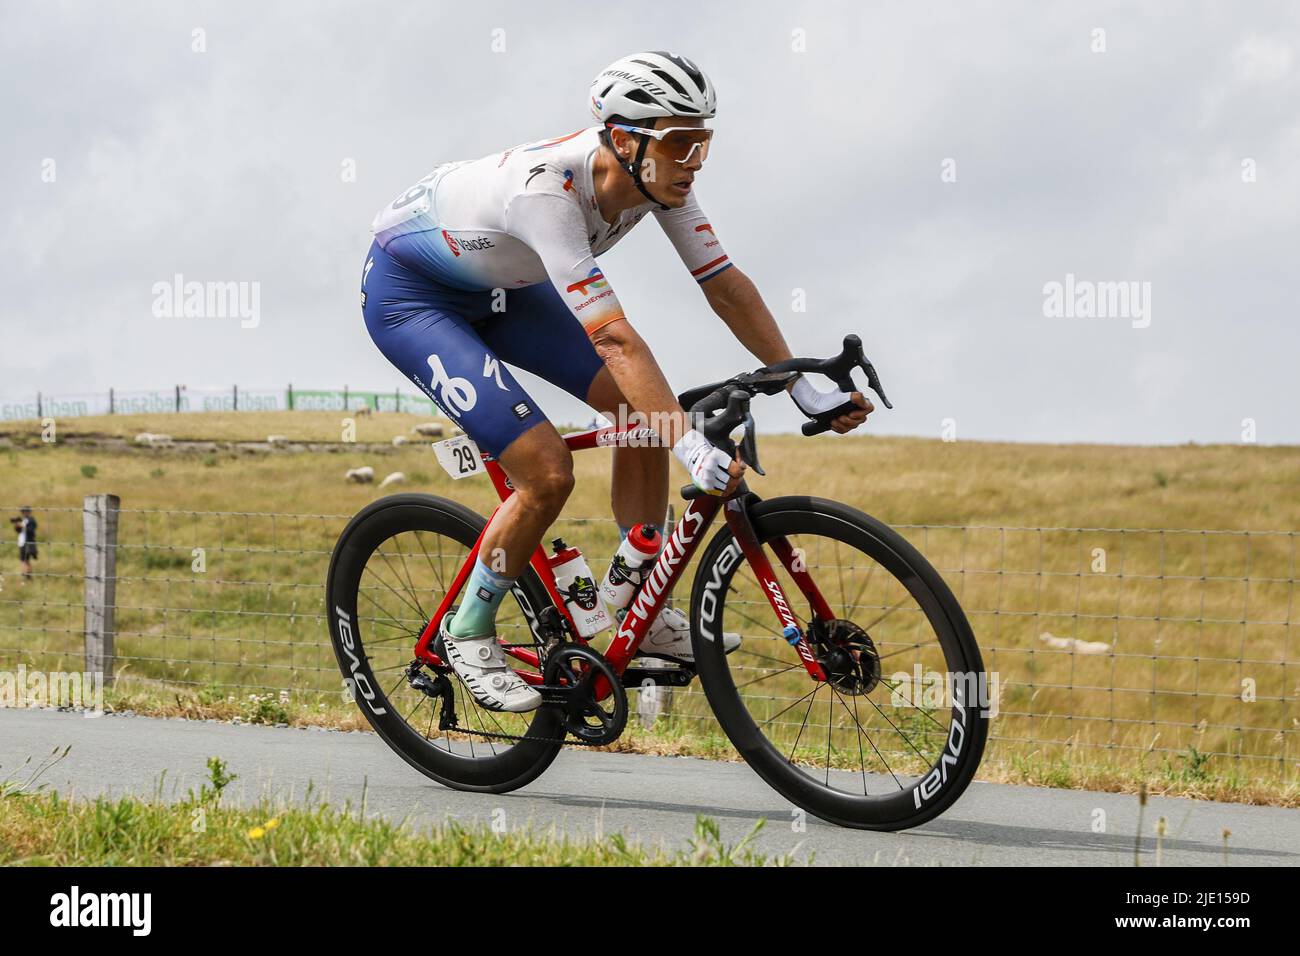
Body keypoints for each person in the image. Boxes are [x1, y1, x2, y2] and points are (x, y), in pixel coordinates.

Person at [363, 51, 871, 712]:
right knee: (546, 473)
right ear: (626, 139)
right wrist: (689, 444)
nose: (694, 162)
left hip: (504, 290)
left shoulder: (661, 181)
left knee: (641, 415)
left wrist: (800, 383)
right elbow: (614, 337)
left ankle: (634, 601)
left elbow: (725, 286)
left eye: (703, 143)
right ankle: (468, 629)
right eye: (681, 143)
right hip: (415, 298)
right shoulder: (545, 192)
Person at [10, 506, 37, 583]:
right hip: (22, 543)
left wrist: (23, 525)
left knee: (24, 560)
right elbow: (18, 531)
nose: (24, 513)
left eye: (25, 512)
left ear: (29, 512)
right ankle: (28, 577)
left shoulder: (31, 520)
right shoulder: (23, 520)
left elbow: (32, 531)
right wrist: (17, 525)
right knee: (25, 560)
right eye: (23, 512)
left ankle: (25, 576)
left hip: (28, 543)